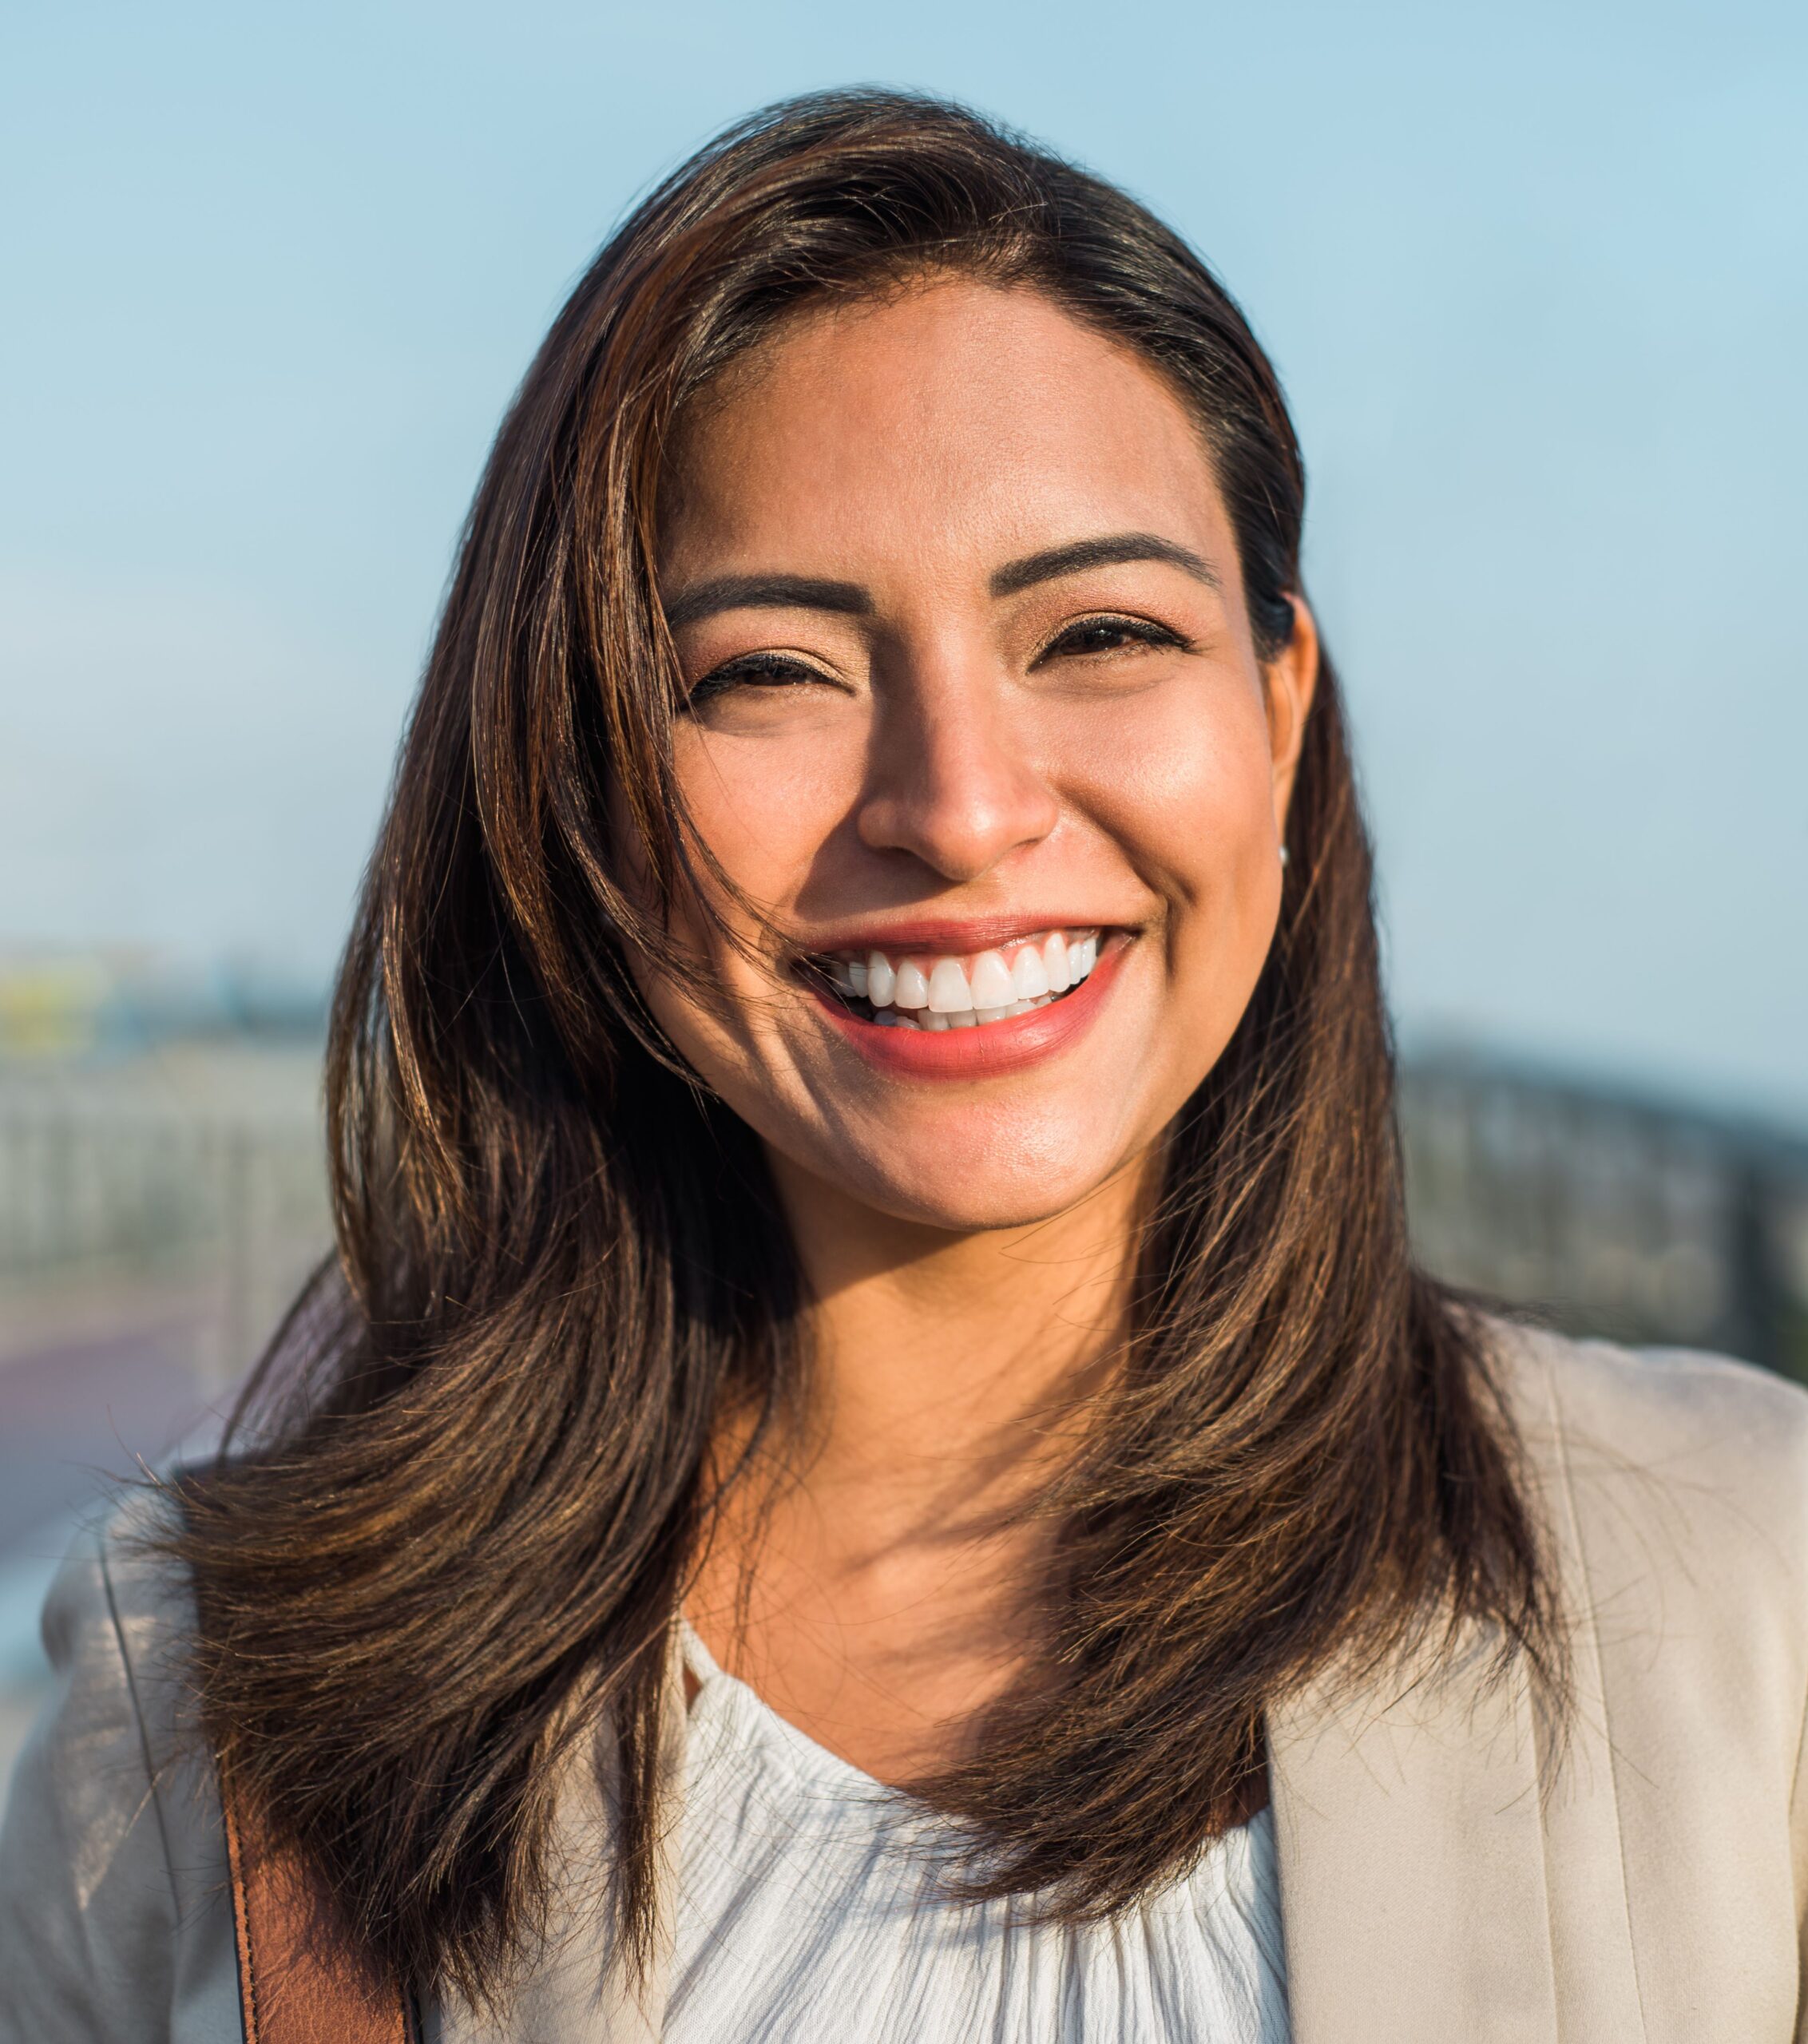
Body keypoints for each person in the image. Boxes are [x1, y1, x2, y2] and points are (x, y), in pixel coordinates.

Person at [3, 88, 1806, 2044]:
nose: (955, 810)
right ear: (579, 787)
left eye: (1100, 632)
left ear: (1279, 718)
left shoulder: (1748, 1590)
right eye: (770, 670)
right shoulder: (201, 1695)